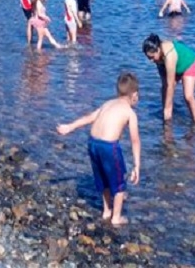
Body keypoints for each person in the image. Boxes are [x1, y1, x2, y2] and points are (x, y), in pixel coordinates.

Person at [56, 72, 142, 226]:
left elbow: (89, 117)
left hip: (93, 143)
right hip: (109, 147)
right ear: (134, 95)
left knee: (103, 178)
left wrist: (70, 126)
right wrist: (137, 166)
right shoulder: (130, 112)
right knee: (119, 182)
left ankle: (106, 211)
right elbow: (135, 140)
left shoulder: (107, 104)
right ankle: (116, 217)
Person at [142, 34, 195, 122]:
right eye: (148, 58)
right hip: (174, 65)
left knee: (188, 96)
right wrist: (166, 109)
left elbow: (171, 86)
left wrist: (167, 110)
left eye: (152, 57)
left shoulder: (169, 55)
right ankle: (166, 114)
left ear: (158, 50)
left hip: (188, 63)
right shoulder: (157, 58)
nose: (151, 61)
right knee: (164, 88)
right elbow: (165, 85)